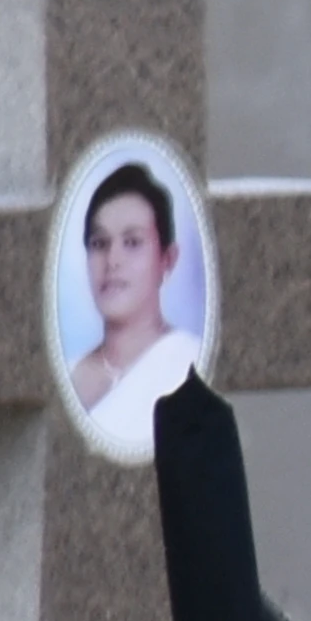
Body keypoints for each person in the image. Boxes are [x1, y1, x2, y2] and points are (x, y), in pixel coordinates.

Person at [64, 155, 208, 463]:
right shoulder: (66, 373)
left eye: (132, 242)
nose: (112, 261)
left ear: (167, 259)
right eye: (99, 243)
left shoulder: (190, 362)